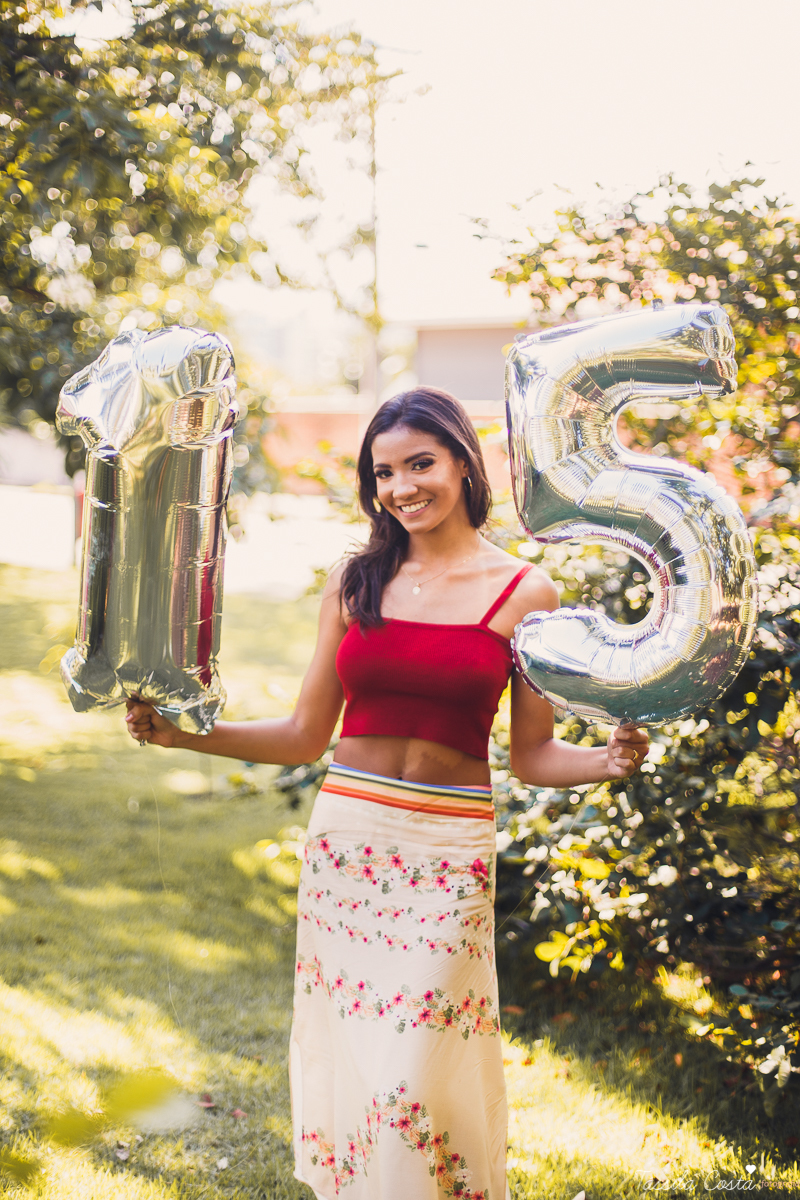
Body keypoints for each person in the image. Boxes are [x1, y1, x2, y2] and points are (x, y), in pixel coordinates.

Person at [126, 387, 649, 1200]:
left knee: (416, 1075)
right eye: (383, 472)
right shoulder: (356, 579)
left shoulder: (526, 594)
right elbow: (306, 734)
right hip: (350, 845)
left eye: (420, 464)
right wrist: (182, 733)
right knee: (366, 1068)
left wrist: (606, 762)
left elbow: (533, 754)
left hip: (448, 852)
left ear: (463, 464)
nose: (401, 487)